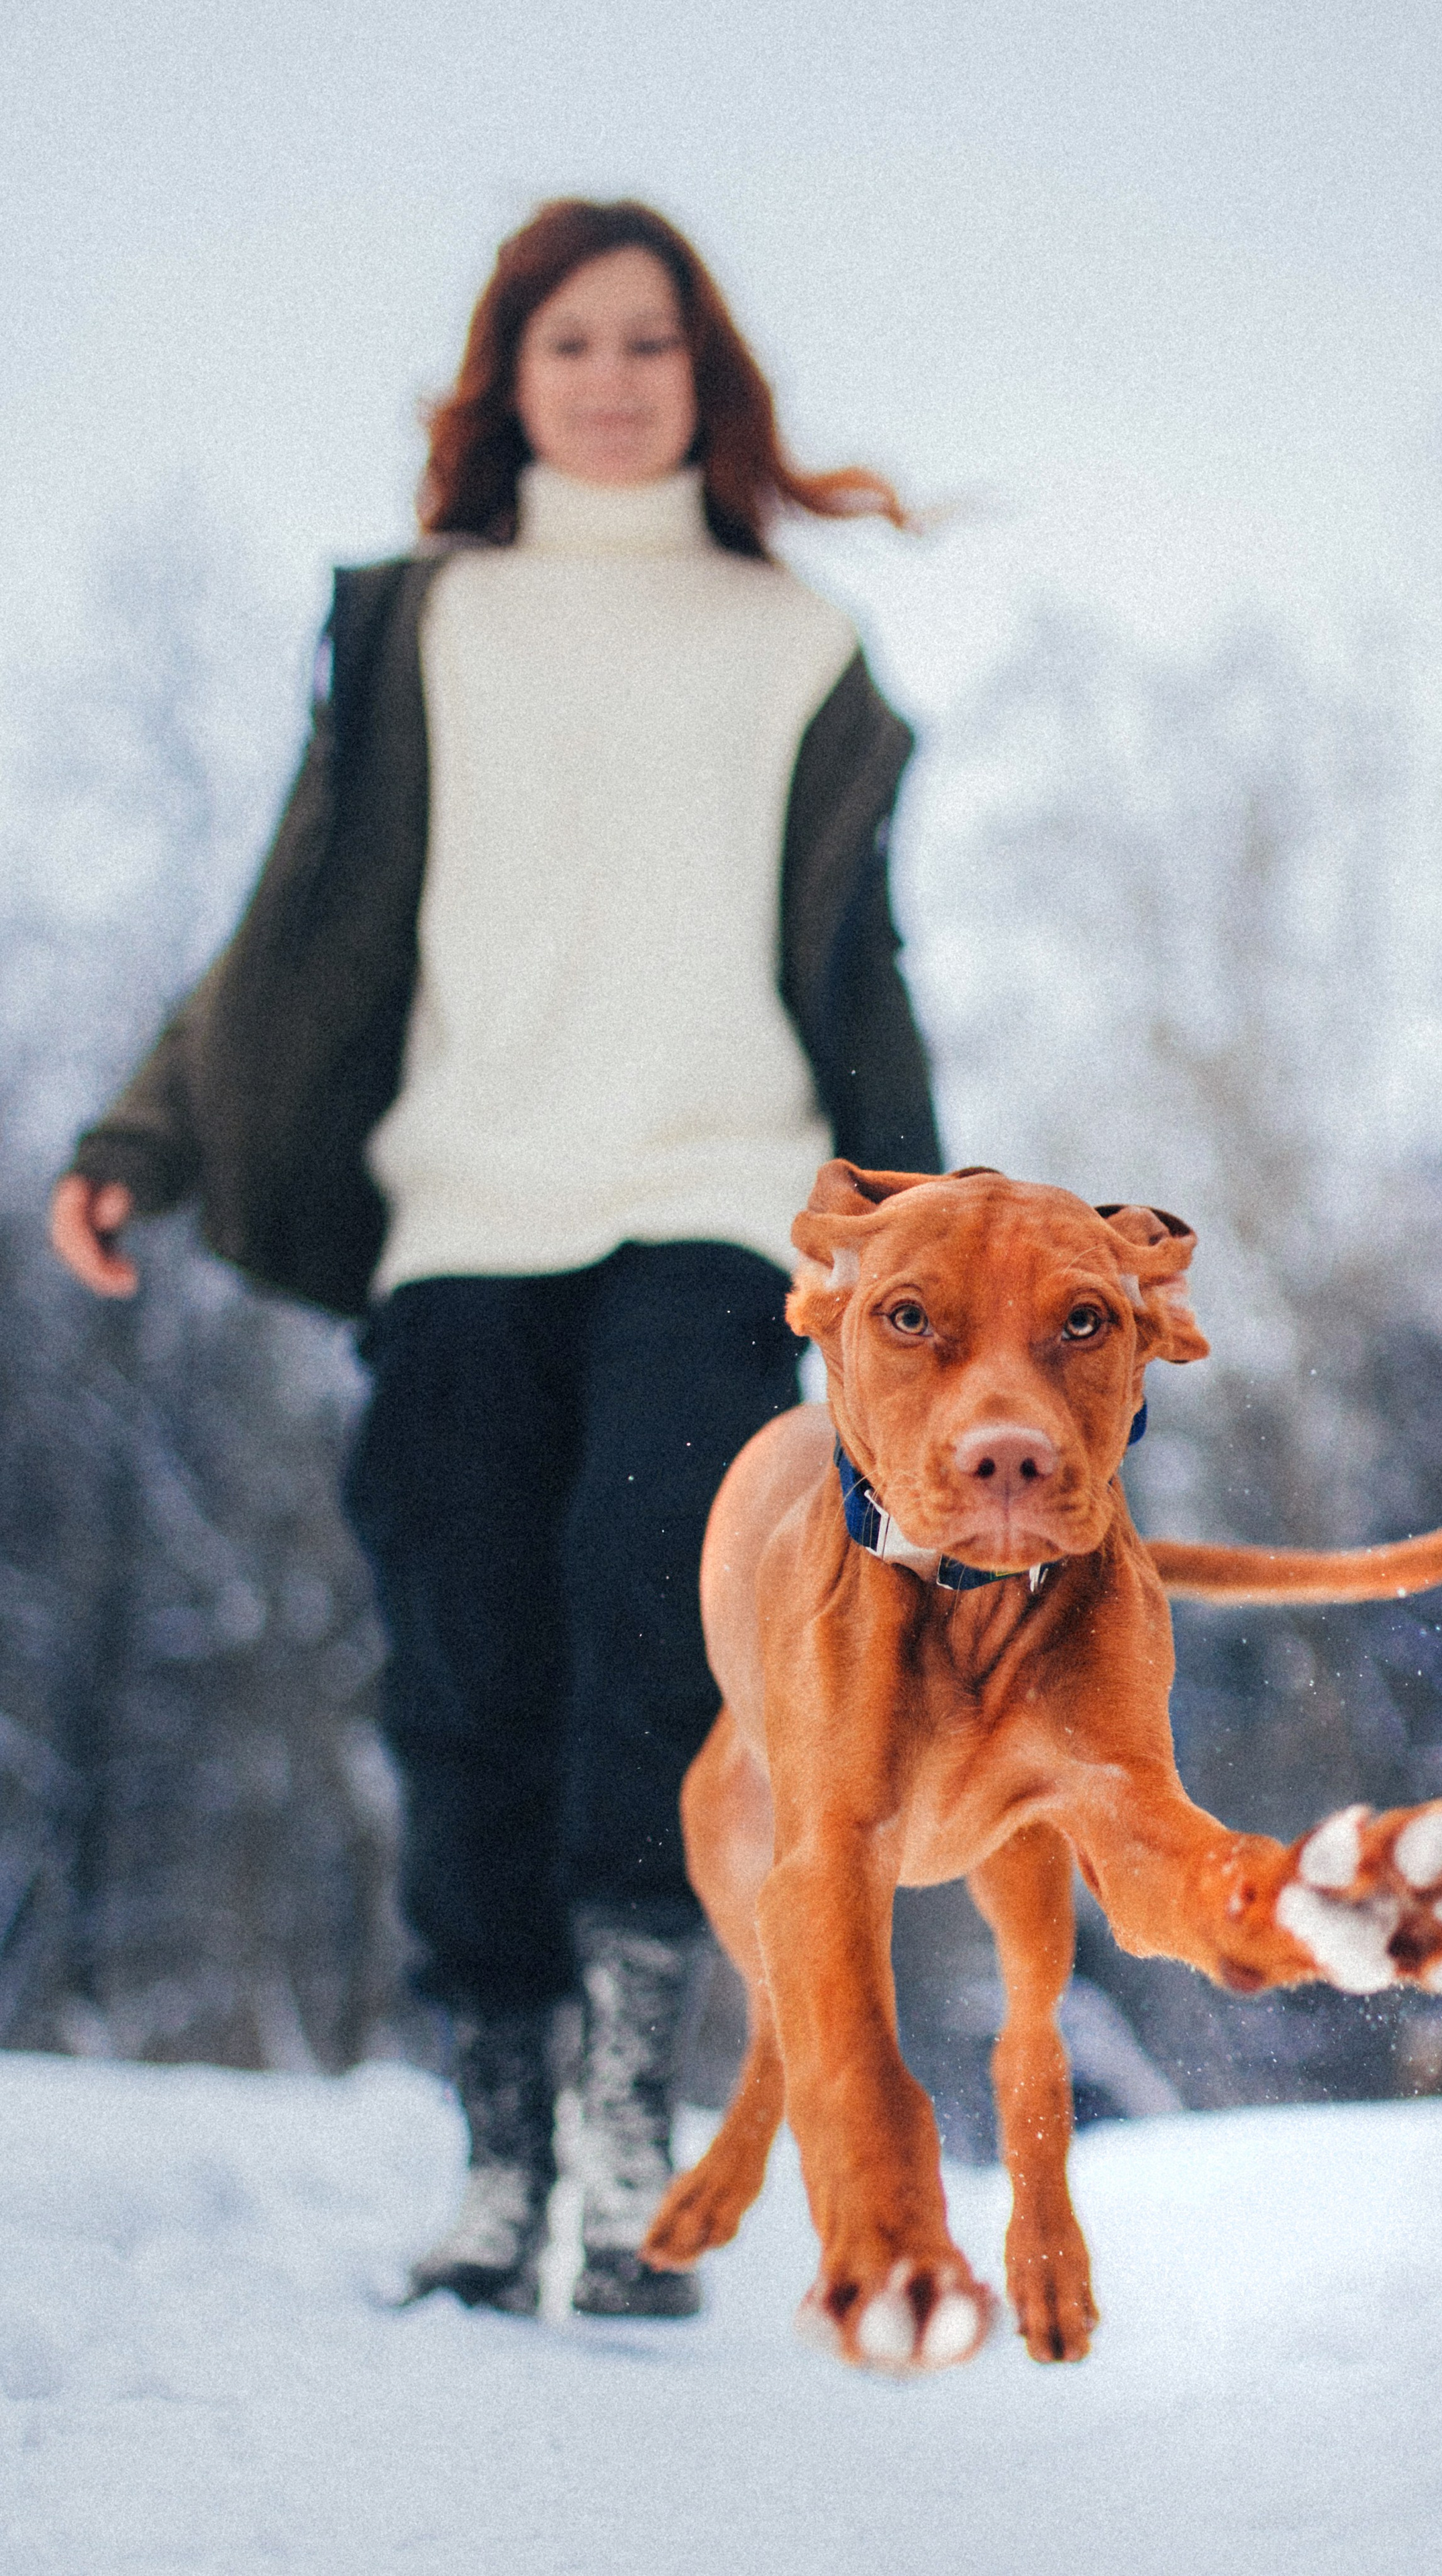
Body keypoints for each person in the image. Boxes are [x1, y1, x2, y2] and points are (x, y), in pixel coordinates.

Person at [50, 198, 940, 2322]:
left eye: (651, 341)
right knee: (464, 1670)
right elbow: (293, 937)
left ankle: (636, 2138)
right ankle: (499, 2145)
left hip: (721, 1196)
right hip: (462, 1213)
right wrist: (143, 1132)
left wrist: (932, 1271)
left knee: (654, 1641)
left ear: (702, 375)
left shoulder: (793, 643)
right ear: (510, 377)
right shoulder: (419, 623)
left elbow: (867, 977)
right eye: (571, 343)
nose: (614, 376)